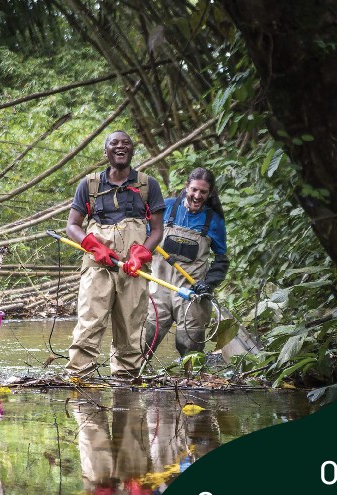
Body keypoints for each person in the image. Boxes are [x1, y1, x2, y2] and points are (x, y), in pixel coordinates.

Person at [64, 130, 165, 379]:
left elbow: (157, 230)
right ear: (106, 151)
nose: (120, 146)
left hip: (134, 267)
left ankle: (126, 381)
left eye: (126, 143)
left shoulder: (147, 185)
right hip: (97, 266)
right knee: (89, 323)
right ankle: (80, 377)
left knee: (132, 328)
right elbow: (72, 226)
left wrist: (142, 253)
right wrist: (93, 246)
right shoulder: (89, 185)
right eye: (114, 143)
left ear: (132, 150)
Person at [144, 167, 229, 357]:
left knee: (190, 350)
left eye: (203, 192)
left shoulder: (214, 221)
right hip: (159, 289)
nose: (197, 196)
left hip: (192, 295)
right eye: (194, 190)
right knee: (143, 342)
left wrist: (208, 284)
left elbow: (221, 260)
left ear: (210, 193)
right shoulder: (165, 208)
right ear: (186, 187)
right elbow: (144, 242)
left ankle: (190, 382)